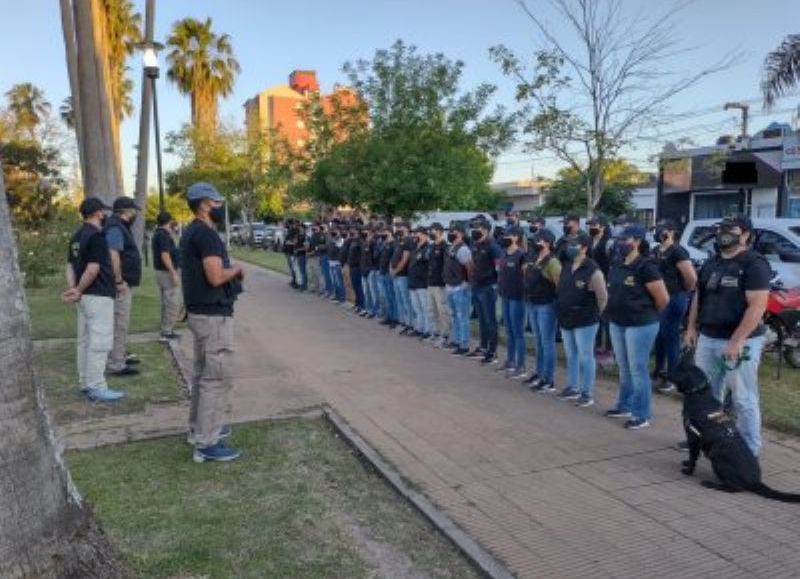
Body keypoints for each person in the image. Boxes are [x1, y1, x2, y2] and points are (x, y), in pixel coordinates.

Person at [684, 215, 771, 456]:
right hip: (708, 337)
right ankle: (711, 439)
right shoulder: (712, 262)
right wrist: (691, 327)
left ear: (745, 234)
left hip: (741, 342)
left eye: (731, 229)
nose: (724, 233)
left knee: (743, 398)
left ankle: (750, 450)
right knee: (708, 396)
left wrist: (736, 340)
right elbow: (699, 297)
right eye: (722, 228)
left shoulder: (754, 264)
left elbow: (757, 306)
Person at [180, 182, 243, 463]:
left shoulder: (191, 231)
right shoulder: (206, 234)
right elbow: (216, 277)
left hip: (201, 312)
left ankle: (199, 429)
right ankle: (207, 442)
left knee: (203, 374)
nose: (220, 207)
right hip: (212, 315)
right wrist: (237, 269)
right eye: (216, 203)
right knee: (216, 378)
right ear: (205, 204)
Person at [604, 224, 669, 430]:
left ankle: (641, 413)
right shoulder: (617, 263)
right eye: (619, 239)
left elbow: (663, 299)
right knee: (624, 368)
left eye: (625, 239)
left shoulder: (646, 266)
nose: (620, 243)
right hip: (618, 322)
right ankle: (625, 405)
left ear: (638, 241)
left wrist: (646, 312)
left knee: (637, 369)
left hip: (641, 324)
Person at [62, 198, 126, 402]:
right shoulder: (97, 236)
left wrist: (74, 289)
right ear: (98, 213)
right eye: (102, 212)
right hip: (98, 295)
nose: (104, 215)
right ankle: (97, 386)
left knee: (84, 340)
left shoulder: (77, 236)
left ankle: (85, 382)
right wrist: (79, 289)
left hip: (85, 297)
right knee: (100, 341)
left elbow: (70, 266)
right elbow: (93, 268)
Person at [554, 233, 607, 407]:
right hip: (566, 317)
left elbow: (602, 297)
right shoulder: (567, 266)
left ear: (584, 248)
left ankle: (587, 393)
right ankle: (573, 387)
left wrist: (597, 316)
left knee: (586, 356)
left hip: (586, 320)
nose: (570, 247)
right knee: (571, 355)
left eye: (574, 244)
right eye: (569, 244)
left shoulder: (593, 270)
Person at [651, 218, 697, 393]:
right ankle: (659, 370)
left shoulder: (678, 251)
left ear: (671, 232)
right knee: (659, 335)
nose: (658, 232)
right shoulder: (655, 250)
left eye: (662, 229)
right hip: (659, 298)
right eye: (657, 229)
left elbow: (691, 278)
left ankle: (673, 376)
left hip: (675, 297)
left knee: (670, 335)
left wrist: (682, 291)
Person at [104, 196, 142, 377]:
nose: (135, 214)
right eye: (133, 210)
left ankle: (119, 355)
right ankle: (116, 364)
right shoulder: (114, 227)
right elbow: (113, 254)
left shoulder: (120, 226)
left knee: (119, 323)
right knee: (119, 323)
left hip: (124, 283)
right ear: (125, 211)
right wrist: (119, 281)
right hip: (120, 285)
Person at [523, 229, 561, 391]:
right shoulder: (535, 258)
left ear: (547, 243)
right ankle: (539, 373)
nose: (534, 242)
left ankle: (548, 379)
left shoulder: (552, 262)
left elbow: (558, 285)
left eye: (538, 240)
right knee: (538, 341)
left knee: (547, 342)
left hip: (546, 304)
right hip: (533, 302)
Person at [468, 217, 503, 365]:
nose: (475, 230)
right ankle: (483, 347)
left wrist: (497, 285)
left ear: (486, 230)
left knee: (490, 320)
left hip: (488, 286)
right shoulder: (475, 245)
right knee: (481, 319)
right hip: (477, 285)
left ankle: (492, 351)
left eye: (478, 228)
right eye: (474, 228)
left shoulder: (493, 246)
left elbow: (499, 267)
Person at [497, 226, 527, 378]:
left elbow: (526, 276)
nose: (505, 238)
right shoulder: (503, 253)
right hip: (505, 295)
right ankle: (510, 361)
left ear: (516, 237)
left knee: (518, 332)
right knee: (509, 331)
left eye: (508, 235)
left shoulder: (521, 255)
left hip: (517, 297)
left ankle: (521, 365)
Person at [152, 211, 183, 341]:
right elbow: (165, 255)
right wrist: (173, 273)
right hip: (166, 273)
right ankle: (166, 332)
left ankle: (166, 330)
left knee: (167, 302)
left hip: (162, 272)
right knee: (172, 303)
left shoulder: (159, 234)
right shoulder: (163, 235)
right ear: (169, 221)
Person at [444, 223, 473, 356]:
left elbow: (469, 267)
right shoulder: (451, 247)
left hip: (460, 286)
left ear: (460, 233)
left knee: (462, 317)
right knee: (454, 315)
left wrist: (467, 282)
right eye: (450, 231)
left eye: (453, 231)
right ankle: (456, 340)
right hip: (450, 285)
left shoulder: (463, 249)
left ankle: (464, 345)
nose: (450, 233)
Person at [587, 215, 614, 362]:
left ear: (602, 226)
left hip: (605, 281)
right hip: (592, 283)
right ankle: (597, 345)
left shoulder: (609, 242)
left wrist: (609, 282)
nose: (591, 227)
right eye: (590, 225)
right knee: (595, 314)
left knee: (606, 316)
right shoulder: (590, 240)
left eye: (594, 225)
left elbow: (613, 263)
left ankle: (609, 349)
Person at [427, 222, 451, 348]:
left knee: (442, 311)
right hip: (430, 282)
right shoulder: (431, 246)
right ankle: (436, 333)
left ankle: (445, 335)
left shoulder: (445, 247)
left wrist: (444, 279)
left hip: (440, 283)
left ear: (439, 232)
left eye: (433, 230)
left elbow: (446, 265)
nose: (431, 233)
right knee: (432, 310)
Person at [408, 226, 432, 339]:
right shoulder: (415, 248)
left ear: (425, 235)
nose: (416, 236)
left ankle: (427, 330)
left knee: (425, 308)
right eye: (415, 233)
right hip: (413, 282)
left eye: (418, 233)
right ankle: (419, 328)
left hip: (422, 282)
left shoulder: (428, 248)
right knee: (417, 308)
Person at [390, 222, 414, 334]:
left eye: (401, 227)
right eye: (398, 227)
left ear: (407, 228)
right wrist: (391, 268)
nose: (399, 229)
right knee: (399, 300)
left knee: (405, 301)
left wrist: (396, 270)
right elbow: (394, 256)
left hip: (403, 275)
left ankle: (409, 324)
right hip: (396, 275)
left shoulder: (409, 240)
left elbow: (405, 259)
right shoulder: (400, 240)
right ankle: (402, 322)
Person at [378, 227, 398, 327]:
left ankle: (395, 318)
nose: (383, 234)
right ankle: (389, 316)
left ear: (390, 233)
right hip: (382, 272)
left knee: (391, 296)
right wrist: (384, 243)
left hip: (389, 273)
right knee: (386, 297)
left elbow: (394, 258)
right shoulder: (385, 243)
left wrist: (392, 270)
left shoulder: (394, 244)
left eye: (385, 232)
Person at [347, 225, 365, 313]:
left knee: (359, 287)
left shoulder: (360, 242)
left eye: (353, 230)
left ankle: (362, 305)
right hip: (352, 266)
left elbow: (362, 255)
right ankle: (357, 304)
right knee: (354, 286)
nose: (352, 232)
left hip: (357, 267)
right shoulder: (352, 241)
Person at [359, 227, 377, 317]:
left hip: (370, 269)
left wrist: (370, 243)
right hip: (363, 269)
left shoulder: (373, 243)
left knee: (372, 291)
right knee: (366, 291)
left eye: (367, 232)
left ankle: (374, 311)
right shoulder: (364, 242)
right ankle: (367, 309)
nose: (365, 233)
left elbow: (374, 256)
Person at [327, 227, 346, 303]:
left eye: (336, 232)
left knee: (339, 281)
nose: (334, 233)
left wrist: (335, 241)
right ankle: (337, 296)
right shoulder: (331, 240)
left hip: (337, 263)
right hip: (331, 262)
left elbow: (340, 249)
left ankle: (342, 297)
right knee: (334, 281)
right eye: (334, 232)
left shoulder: (341, 241)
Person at [307, 222, 325, 295]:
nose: (314, 228)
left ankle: (321, 289)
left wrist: (314, 251)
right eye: (313, 226)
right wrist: (308, 252)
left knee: (318, 273)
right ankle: (314, 287)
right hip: (311, 255)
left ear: (319, 227)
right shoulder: (313, 235)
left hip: (317, 255)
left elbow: (321, 246)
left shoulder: (321, 235)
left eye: (315, 226)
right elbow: (310, 245)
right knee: (313, 273)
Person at [318, 223, 333, 298]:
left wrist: (319, 247)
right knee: (324, 274)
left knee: (327, 274)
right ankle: (327, 290)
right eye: (321, 228)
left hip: (326, 255)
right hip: (322, 255)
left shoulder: (328, 235)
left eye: (323, 228)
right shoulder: (321, 235)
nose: (322, 229)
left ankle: (329, 291)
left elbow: (327, 245)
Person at [293, 222, 308, 291]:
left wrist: (298, 249)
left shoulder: (305, 236)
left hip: (302, 254)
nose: (299, 228)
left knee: (303, 270)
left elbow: (306, 247)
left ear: (303, 228)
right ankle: (301, 283)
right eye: (299, 227)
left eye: (301, 227)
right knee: (299, 270)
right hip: (298, 254)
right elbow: (295, 243)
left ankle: (304, 285)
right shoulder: (298, 235)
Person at [283, 220, 298, 288]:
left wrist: (289, 242)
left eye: (287, 224)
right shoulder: (289, 231)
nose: (286, 225)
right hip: (288, 251)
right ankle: (293, 280)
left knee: (293, 267)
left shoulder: (294, 231)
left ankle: (295, 281)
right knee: (291, 267)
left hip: (292, 251)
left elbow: (293, 241)